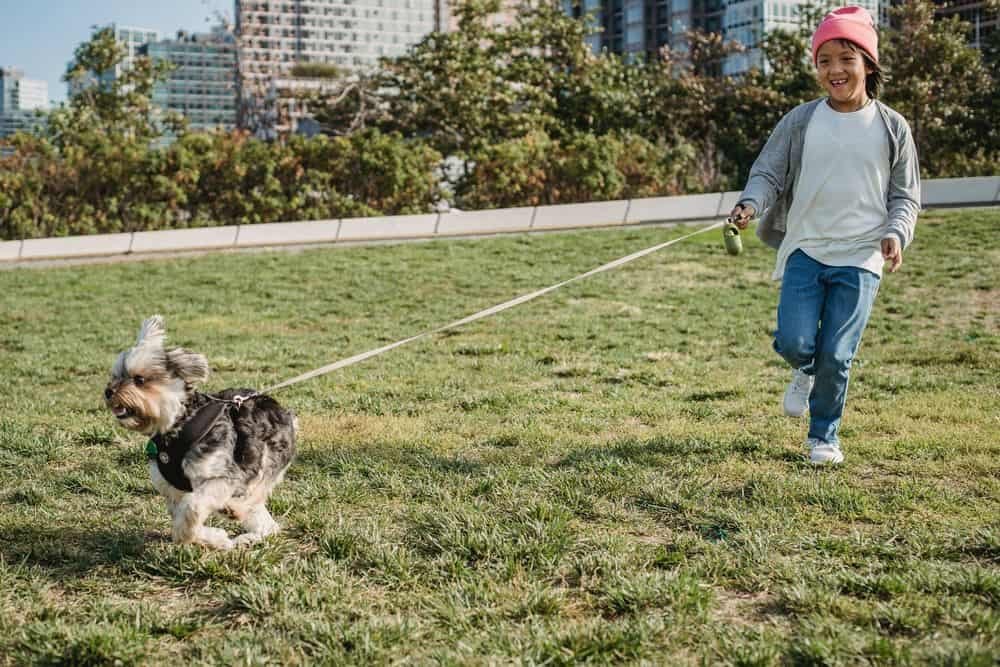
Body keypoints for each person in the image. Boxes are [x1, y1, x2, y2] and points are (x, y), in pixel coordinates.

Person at [730, 5, 920, 465]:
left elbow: (906, 196)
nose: (834, 69)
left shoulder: (893, 127)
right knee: (797, 342)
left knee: (838, 352)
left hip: (860, 257)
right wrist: (751, 203)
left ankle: (823, 437)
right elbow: (768, 173)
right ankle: (806, 370)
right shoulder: (801, 120)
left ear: (868, 64)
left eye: (846, 58)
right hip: (806, 250)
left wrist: (896, 233)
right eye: (824, 60)